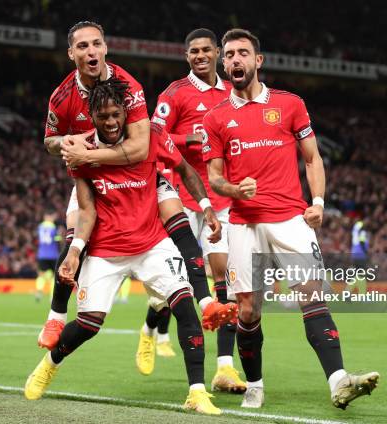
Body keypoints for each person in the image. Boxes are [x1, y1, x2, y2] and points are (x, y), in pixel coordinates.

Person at [202, 28, 379, 409]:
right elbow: (214, 176)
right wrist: (233, 190)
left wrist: (317, 200)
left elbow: (312, 158)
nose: (234, 60)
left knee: (311, 297)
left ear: (258, 60)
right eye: (229, 54)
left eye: (242, 53)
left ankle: (338, 382)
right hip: (244, 224)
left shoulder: (290, 104)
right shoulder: (216, 118)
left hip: (290, 220)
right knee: (248, 311)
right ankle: (255, 385)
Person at [25, 78, 221, 415]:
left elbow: (185, 169)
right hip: (106, 251)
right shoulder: (81, 153)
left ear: (126, 113)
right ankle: (49, 363)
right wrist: (74, 251)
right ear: (92, 116)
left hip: (151, 245)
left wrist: (206, 206)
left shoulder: (150, 139)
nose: (112, 122)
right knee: (88, 325)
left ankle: (197, 392)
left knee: (184, 303)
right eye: (103, 117)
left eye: (117, 114)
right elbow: (86, 211)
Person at [39, 20, 234, 350]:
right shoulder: (62, 97)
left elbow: (141, 148)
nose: (91, 51)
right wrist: (66, 143)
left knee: (181, 229)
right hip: (96, 179)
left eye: (96, 44)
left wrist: (89, 153)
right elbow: (49, 141)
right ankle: (56, 316)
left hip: (141, 176)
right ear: (71, 53)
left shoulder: (128, 86)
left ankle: (201, 305)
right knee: (74, 241)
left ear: (105, 47)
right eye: (83, 46)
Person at [148, 28, 244, 392]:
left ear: (218, 53)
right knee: (179, 284)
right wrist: (188, 139)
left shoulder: (233, 93)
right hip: (181, 197)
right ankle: (150, 327)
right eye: (193, 51)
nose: (200, 55)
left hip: (218, 199)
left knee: (227, 281)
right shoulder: (175, 93)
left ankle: (224, 368)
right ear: (186, 55)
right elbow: (151, 137)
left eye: (206, 50)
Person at [35, 210, 61, 302]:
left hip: (42, 254)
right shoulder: (53, 227)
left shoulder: (40, 226)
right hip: (53, 255)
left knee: (41, 274)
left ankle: (39, 291)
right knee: (54, 276)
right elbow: (57, 240)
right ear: (49, 216)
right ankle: (51, 297)